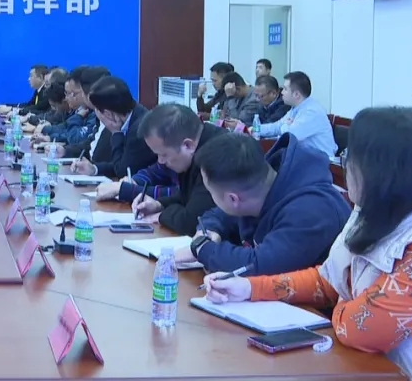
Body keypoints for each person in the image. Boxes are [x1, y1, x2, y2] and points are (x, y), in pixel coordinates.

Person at [203, 107, 412, 381]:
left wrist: (348, 301)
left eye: (350, 157)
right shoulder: (377, 208)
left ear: (383, 173)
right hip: (370, 370)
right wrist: (249, 288)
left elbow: (361, 329)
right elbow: (330, 280)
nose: (345, 164)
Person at [174, 133, 351, 275]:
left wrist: (203, 250)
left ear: (234, 199)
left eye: (211, 193)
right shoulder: (261, 185)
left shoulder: (311, 211)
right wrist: (208, 230)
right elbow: (219, 214)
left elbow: (259, 266)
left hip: (321, 307)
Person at [132, 103, 225, 235]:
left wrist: (161, 216)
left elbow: (192, 222)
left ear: (187, 145)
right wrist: (159, 204)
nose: (160, 161)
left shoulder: (217, 157)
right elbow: (189, 196)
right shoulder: (199, 143)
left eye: (164, 155)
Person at [73, 76, 156, 180]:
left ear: (108, 114)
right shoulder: (133, 114)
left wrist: (116, 133)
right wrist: (94, 169)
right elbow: (122, 163)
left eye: (96, 110)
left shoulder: (138, 130)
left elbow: (123, 171)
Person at [254, 71, 336, 157]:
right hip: (304, 158)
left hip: (321, 161)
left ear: (296, 94)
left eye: (285, 89)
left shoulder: (311, 112)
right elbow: (277, 126)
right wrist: (255, 129)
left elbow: (289, 136)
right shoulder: (296, 108)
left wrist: (285, 125)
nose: (282, 92)